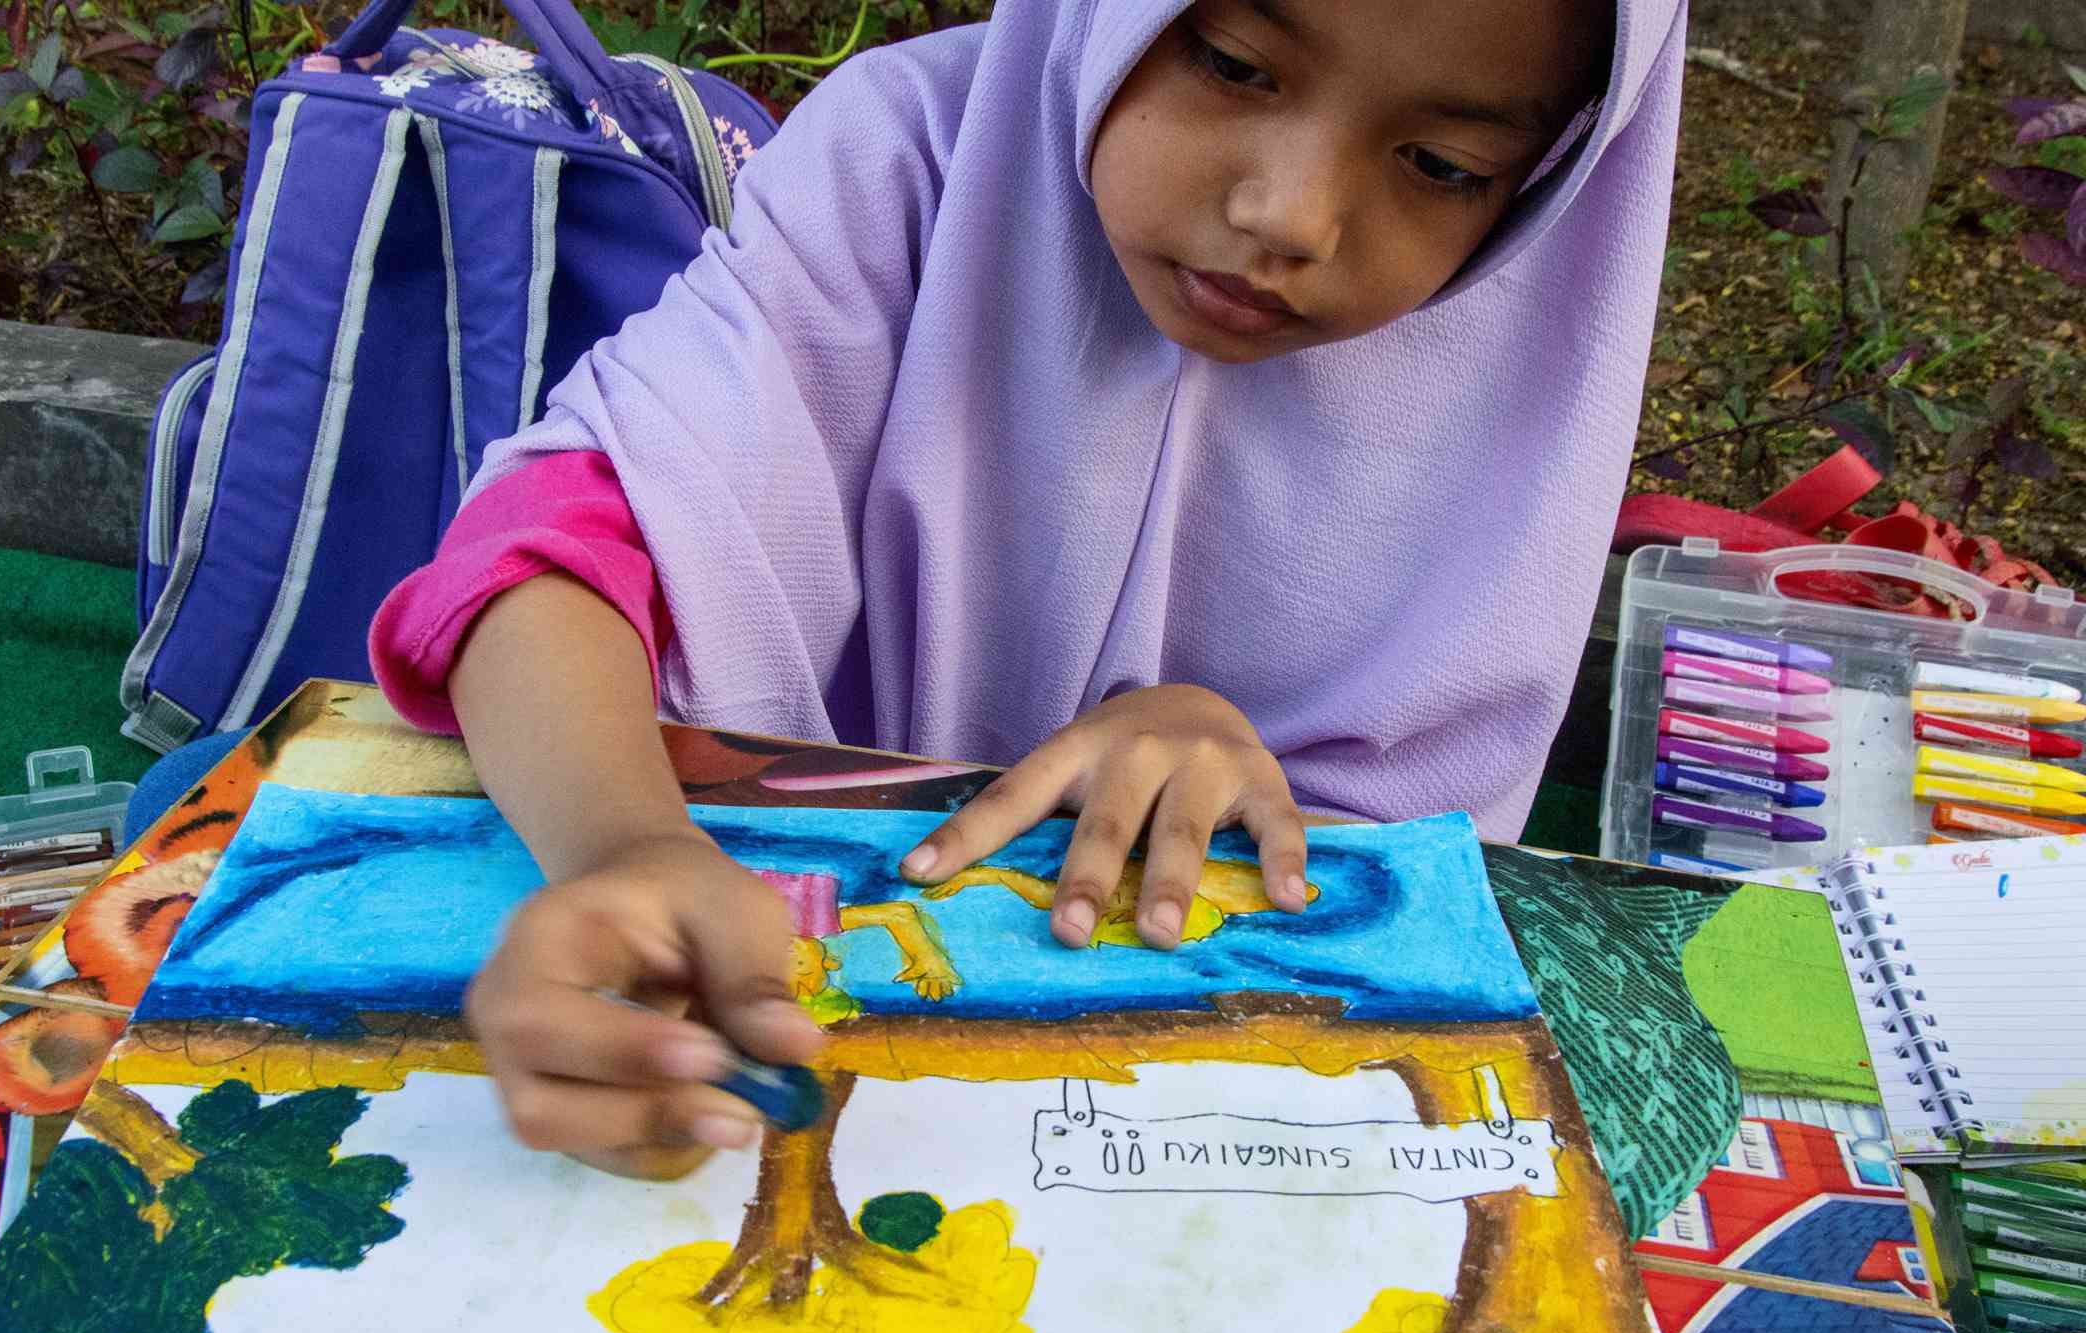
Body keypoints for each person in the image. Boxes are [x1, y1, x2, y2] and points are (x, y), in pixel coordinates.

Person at [368, 0, 1687, 1178]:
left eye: (1445, 166)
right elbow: (553, 546)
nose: (1291, 214)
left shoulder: (1513, 371)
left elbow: (1396, 910)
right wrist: (623, 845)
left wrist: (1240, 779)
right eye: (1233, 60)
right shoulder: (906, 165)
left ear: (1552, 186)